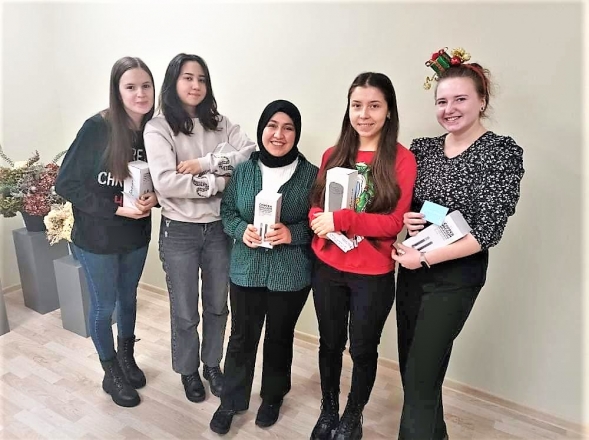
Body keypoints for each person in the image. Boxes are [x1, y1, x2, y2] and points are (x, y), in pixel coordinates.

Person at [392, 48, 525, 440]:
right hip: (413, 268)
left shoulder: (500, 152)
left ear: (482, 100)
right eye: (442, 101)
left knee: (421, 376)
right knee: (414, 371)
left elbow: (487, 231)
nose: (449, 109)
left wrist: (425, 258)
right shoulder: (423, 149)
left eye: (460, 99)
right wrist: (408, 219)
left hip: (455, 275)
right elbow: (411, 205)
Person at [308, 72, 417, 440]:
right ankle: (328, 411)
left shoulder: (402, 160)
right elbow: (315, 206)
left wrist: (342, 219)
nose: (364, 114)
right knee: (329, 343)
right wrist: (319, 218)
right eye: (357, 105)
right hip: (327, 267)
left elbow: (393, 224)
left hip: (372, 275)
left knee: (363, 349)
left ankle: (352, 417)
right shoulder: (333, 154)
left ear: (389, 111)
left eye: (374, 106)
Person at [143, 53, 256, 403]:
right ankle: (188, 370)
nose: (196, 85)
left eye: (201, 79)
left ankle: (211, 364)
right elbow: (166, 182)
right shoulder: (159, 127)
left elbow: (249, 154)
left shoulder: (220, 123)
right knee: (185, 311)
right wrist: (219, 182)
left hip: (219, 230)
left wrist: (204, 164)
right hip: (179, 231)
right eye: (188, 78)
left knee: (218, 306)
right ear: (173, 82)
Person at [208, 99, 318, 435]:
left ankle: (272, 397)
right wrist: (242, 230)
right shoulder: (243, 171)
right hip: (246, 269)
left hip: (291, 274)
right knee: (241, 337)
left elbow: (318, 223)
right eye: (272, 125)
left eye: (288, 128)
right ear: (262, 129)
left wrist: (292, 233)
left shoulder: (312, 175)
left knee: (279, 338)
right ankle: (231, 401)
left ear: (296, 134)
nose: (279, 134)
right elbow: (228, 213)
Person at [55, 56, 158, 408]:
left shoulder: (154, 130)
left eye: (146, 86)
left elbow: (163, 178)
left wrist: (155, 198)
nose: (140, 94)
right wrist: (117, 209)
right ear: (117, 91)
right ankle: (110, 370)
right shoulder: (97, 128)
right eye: (130, 87)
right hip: (96, 238)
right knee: (105, 305)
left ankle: (127, 358)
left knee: (128, 299)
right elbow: (66, 183)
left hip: (135, 236)